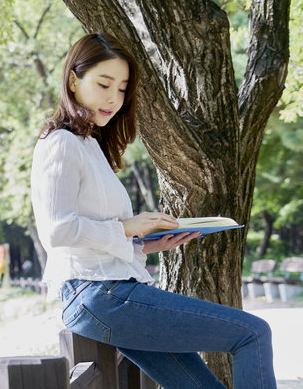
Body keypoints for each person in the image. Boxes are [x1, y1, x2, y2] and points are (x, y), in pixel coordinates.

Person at [30, 32, 275, 389]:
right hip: (99, 295)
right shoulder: (61, 143)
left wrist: (145, 244)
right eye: (103, 84)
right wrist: (129, 227)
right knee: (252, 333)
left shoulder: (89, 145)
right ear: (73, 79)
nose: (113, 98)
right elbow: (57, 231)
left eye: (122, 88)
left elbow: (95, 236)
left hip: (108, 291)